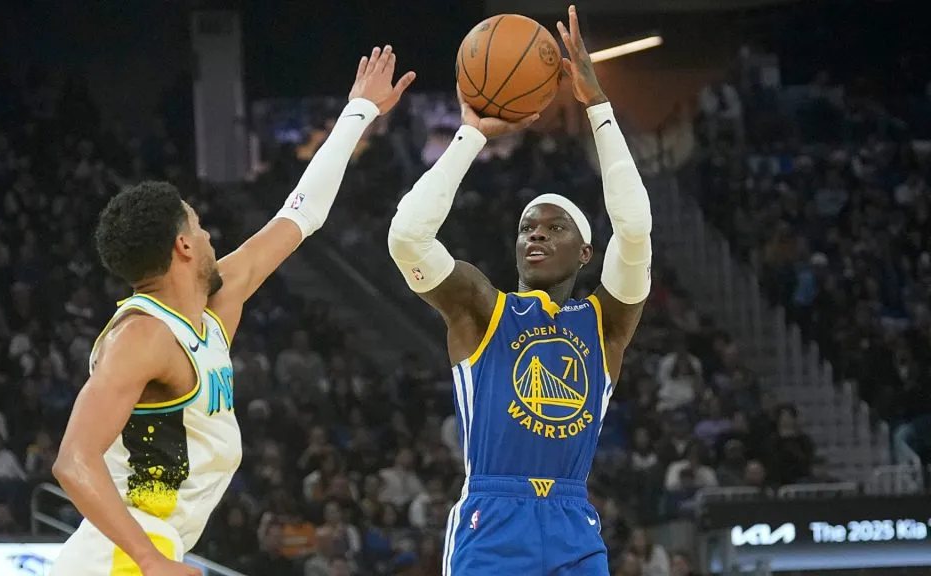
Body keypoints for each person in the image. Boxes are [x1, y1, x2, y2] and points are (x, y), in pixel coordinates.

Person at [50, 46, 415, 576]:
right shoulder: (144, 336)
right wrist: (150, 560)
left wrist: (358, 111)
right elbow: (73, 460)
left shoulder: (210, 313)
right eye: (199, 226)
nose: (210, 234)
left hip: (146, 549)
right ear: (183, 246)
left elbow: (301, 213)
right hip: (120, 558)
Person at [386, 6, 651, 574]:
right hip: (493, 515)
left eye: (553, 228)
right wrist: (471, 135)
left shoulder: (606, 324)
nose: (535, 235)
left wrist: (597, 106)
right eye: (527, 227)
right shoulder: (483, 309)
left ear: (585, 252)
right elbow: (408, 237)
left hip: (572, 518)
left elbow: (634, 229)